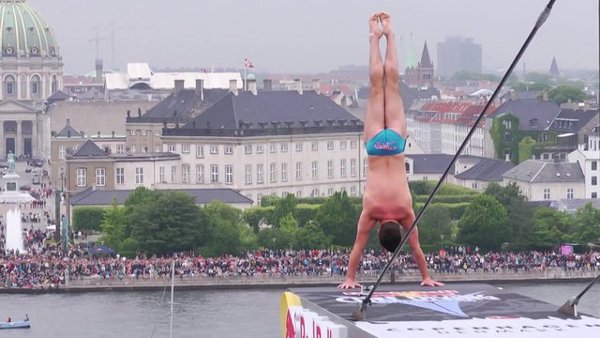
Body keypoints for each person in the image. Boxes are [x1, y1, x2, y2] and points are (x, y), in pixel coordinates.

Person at [338, 13, 443, 289]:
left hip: (395, 144)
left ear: (398, 228)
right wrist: (350, 278)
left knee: (391, 85)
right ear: (379, 230)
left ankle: (390, 35)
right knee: (377, 87)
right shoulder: (370, 212)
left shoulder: (406, 211)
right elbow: (357, 250)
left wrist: (426, 276)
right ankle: (375, 37)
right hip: (375, 146)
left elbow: (417, 248)